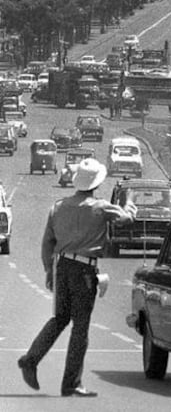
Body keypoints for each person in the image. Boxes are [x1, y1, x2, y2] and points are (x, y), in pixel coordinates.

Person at [17, 158, 136, 397]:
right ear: (96, 183)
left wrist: (49, 271)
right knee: (80, 328)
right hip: (84, 270)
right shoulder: (100, 206)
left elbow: (47, 243)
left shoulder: (59, 206)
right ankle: (71, 382)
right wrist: (130, 201)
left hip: (62, 265)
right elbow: (126, 219)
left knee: (60, 318)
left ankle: (31, 358)